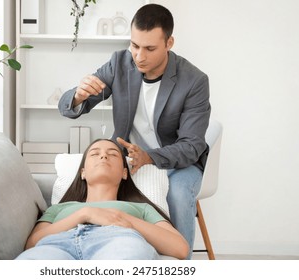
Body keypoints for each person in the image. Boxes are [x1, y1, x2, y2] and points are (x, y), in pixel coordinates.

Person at [58, 4, 210, 259]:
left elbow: (191, 146)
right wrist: (77, 96)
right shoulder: (120, 62)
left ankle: (182, 264)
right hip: (128, 159)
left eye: (149, 48)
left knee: (179, 194)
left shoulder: (194, 81)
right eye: (134, 45)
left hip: (178, 163)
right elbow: (71, 107)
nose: (139, 56)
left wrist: (149, 157)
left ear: (169, 42)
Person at [16, 139, 188, 260]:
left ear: (124, 173)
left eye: (113, 154)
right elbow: (32, 244)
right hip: (57, 245)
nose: (103, 156)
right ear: (82, 172)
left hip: (119, 241)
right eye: (95, 154)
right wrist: (84, 214)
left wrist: (123, 218)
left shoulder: (141, 209)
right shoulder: (59, 208)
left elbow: (180, 248)